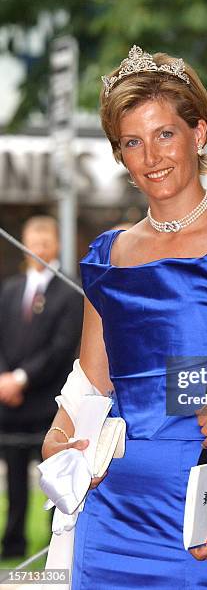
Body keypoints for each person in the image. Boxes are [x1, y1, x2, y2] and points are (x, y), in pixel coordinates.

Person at [41, 45, 207, 589]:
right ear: (119, 155)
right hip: (110, 503)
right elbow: (92, 381)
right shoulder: (106, 253)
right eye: (132, 142)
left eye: (165, 133)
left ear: (199, 132)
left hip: (205, 498)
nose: (151, 156)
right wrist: (59, 434)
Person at [0, 216, 83, 558]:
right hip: (10, 403)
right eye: (32, 239)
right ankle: (13, 542)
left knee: (52, 479)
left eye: (44, 239)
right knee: (15, 481)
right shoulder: (10, 289)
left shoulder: (69, 289)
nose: (38, 246)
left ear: (55, 242)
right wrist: (5, 379)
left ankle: (54, 547)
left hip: (49, 403)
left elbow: (61, 346)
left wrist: (21, 378)